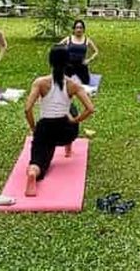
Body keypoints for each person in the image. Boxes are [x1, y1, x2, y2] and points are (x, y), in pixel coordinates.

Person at [24, 45, 95, 196]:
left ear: (50, 62)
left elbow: (27, 108)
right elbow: (90, 109)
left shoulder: (40, 82)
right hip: (65, 132)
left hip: (44, 129)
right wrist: (75, 121)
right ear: (67, 62)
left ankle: (33, 172)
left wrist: (33, 128)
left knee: (39, 161)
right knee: (72, 108)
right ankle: (68, 149)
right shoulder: (73, 85)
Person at [58, 19, 99, 85]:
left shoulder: (87, 40)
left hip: (82, 66)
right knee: (65, 86)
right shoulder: (68, 39)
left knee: (85, 86)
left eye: (81, 28)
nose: (79, 30)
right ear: (74, 29)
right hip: (69, 66)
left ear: (83, 29)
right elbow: (57, 48)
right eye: (77, 27)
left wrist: (89, 60)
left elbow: (96, 51)